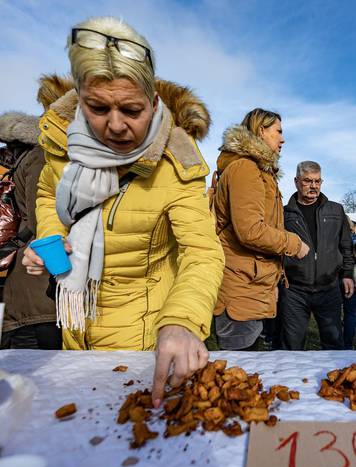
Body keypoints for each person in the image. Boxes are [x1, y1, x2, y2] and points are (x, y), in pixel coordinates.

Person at [22, 16, 224, 406]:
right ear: (79, 101)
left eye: (131, 110)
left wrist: (181, 322)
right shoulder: (61, 145)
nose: (114, 126)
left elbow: (202, 253)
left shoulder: (176, 163)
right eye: (98, 107)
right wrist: (50, 236)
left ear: (153, 104)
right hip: (75, 323)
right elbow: (49, 193)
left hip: (141, 338)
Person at [213, 108, 309, 350]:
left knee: (250, 366)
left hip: (252, 286)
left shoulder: (259, 171)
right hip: (239, 289)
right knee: (238, 372)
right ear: (261, 131)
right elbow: (251, 230)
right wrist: (294, 244)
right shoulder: (246, 168)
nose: (282, 139)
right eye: (278, 131)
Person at [278, 161, 354, 350]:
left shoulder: (336, 210)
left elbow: (345, 246)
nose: (313, 186)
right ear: (296, 181)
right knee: (291, 346)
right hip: (295, 290)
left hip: (329, 288)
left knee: (334, 344)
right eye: (308, 181)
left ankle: (336, 379)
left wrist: (346, 275)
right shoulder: (283, 214)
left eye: (317, 181)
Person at [0, 109, 59, 349]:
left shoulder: (15, 163)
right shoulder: (40, 157)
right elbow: (41, 219)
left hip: (18, 289)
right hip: (38, 296)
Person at [342, 216, 356, 349]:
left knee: (350, 314)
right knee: (351, 314)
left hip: (347, 278)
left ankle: (347, 345)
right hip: (349, 278)